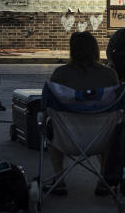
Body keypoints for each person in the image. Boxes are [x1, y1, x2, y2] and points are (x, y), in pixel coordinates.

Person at [46, 31, 120, 197]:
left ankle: (59, 179)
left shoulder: (60, 74)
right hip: (101, 140)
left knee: (49, 123)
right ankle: (103, 180)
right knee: (114, 126)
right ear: (95, 49)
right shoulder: (109, 74)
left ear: (72, 50)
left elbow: (47, 107)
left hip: (66, 140)